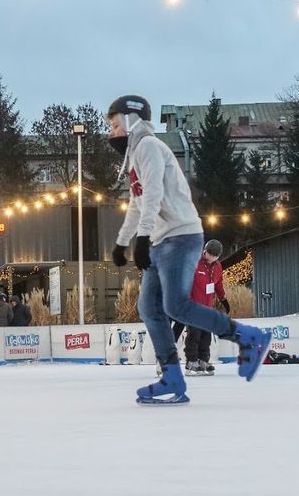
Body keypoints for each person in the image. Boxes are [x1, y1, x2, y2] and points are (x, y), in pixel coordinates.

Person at [107, 94, 271, 405]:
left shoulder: (149, 148)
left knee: (176, 306)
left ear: (131, 121)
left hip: (181, 236)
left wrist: (140, 238)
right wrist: (122, 241)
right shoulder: (134, 158)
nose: (111, 132)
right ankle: (171, 375)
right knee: (149, 308)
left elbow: (154, 192)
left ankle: (248, 337)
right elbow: (137, 204)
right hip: (160, 240)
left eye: (115, 125)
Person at [181, 239, 230, 376]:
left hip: (208, 307)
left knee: (206, 336)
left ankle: (203, 360)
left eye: (215, 256)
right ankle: (191, 361)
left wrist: (224, 300)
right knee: (194, 335)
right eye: (210, 254)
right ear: (205, 251)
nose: (212, 257)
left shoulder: (218, 266)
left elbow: (218, 284)